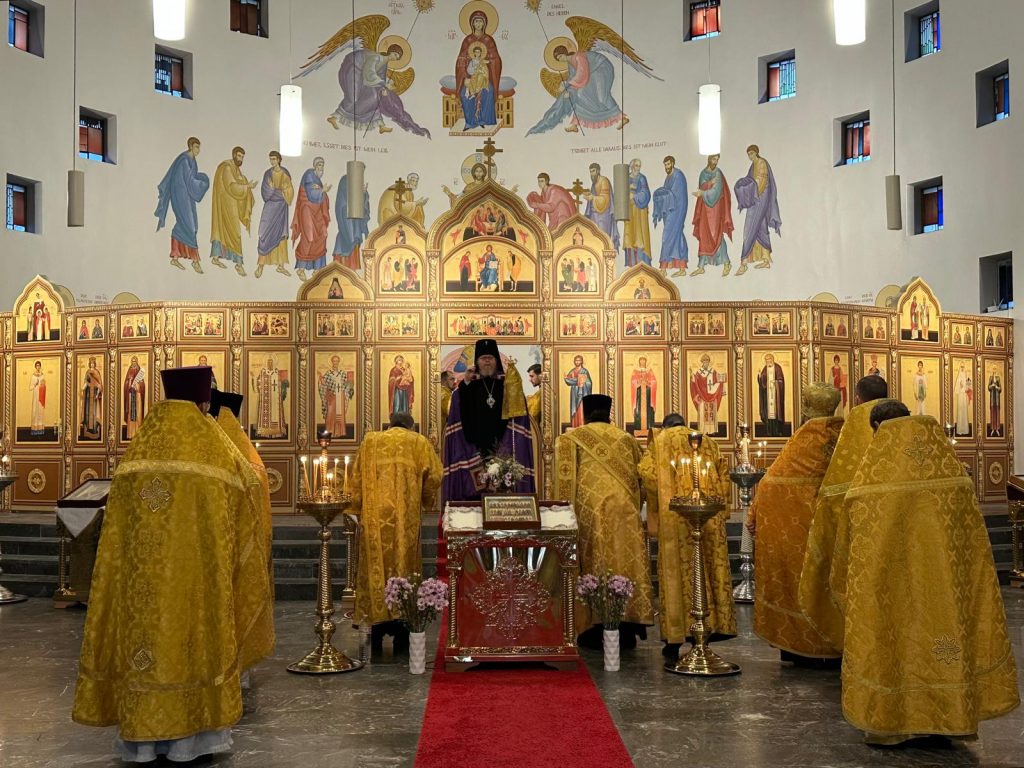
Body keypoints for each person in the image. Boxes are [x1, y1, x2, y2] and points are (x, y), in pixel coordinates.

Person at [73, 367, 273, 764]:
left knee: (145, 652)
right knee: (192, 646)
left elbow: (114, 533)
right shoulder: (214, 448)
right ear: (203, 401)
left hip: (141, 587)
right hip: (195, 582)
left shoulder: (138, 450)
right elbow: (248, 502)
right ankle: (190, 743)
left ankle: (143, 744)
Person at [840, 403, 1019, 744]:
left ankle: (894, 722)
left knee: (893, 646)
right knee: (944, 642)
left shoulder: (870, 483)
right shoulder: (954, 477)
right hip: (945, 592)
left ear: (878, 427)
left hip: (891, 592)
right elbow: (974, 544)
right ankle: (949, 715)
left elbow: (855, 543)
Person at [748, 383, 844, 665]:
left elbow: (771, 485)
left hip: (800, 529)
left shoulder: (805, 438)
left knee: (803, 583)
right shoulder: (846, 436)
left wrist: (754, 514)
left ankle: (804, 645)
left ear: (806, 408)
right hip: (835, 528)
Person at [553, 394, 654, 649]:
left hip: (590, 511)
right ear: (608, 414)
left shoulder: (570, 439)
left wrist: (562, 518)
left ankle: (594, 628)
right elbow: (642, 481)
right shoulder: (628, 439)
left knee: (595, 563)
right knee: (625, 563)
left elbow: (564, 484)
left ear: (585, 414)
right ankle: (627, 629)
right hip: (626, 512)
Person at [798, 375, 889, 651]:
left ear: (858, 398)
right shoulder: (900, 417)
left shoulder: (856, 422)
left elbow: (839, 479)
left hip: (861, 517)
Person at [640, 415, 735, 659]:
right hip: (708, 515)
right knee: (709, 571)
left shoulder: (660, 440)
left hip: (676, 518)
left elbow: (648, 476)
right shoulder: (709, 442)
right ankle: (706, 633)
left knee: (679, 577)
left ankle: (675, 640)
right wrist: (720, 512)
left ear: (666, 426)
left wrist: (655, 508)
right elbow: (725, 478)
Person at [441, 340, 535, 576]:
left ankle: (509, 566)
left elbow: (518, 423)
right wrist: (464, 384)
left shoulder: (508, 388)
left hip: (503, 459)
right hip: (473, 458)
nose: (486, 362)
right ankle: (475, 568)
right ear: (476, 362)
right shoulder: (466, 389)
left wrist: (503, 461)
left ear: (496, 362)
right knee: (475, 517)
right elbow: (457, 417)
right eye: (482, 358)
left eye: (490, 358)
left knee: (504, 518)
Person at [350, 411, 442, 651]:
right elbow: (435, 476)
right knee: (404, 564)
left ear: (389, 424)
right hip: (405, 517)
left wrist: (354, 508)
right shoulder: (418, 442)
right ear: (410, 426)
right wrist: (426, 500)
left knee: (375, 567)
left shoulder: (370, 441)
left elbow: (355, 478)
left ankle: (376, 625)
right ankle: (402, 623)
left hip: (374, 517)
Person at [156, 137, 210, 273]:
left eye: (199, 147)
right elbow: (189, 180)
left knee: (189, 225)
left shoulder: (192, 160)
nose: (198, 150)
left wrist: (200, 179)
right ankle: (195, 261)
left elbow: (192, 179)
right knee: (190, 226)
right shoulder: (184, 161)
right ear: (190, 146)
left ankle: (175, 257)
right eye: (196, 147)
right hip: (180, 197)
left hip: (187, 197)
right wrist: (204, 182)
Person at [734, 145, 781, 275]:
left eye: (751, 153)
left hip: (760, 198)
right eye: (748, 154)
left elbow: (761, 181)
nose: (750, 156)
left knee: (749, 228)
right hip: (756, 199)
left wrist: (751, 192)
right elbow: (750, 180)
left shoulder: (761, 163)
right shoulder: (753, 165)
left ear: (756, 153)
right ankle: (766, 259)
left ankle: (743, 263)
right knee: (761, 227)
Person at [210, 146, 257, 277]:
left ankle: (217, 258)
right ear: (234, 155)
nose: (241, 159)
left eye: (242, 157)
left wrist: (245, 184)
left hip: (231, 205)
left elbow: (239, 182)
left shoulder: (236, 169)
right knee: (234, 233)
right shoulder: (227, 168)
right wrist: (247, 186)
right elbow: (232, 187)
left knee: (227, 232)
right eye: (239, 156)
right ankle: (238, 264)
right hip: (226, 205)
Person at [454, 10, 501, 130]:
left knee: (489, 91)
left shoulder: (489, 40)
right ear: (472, 24)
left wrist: (489, 60)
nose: (478, 24)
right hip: (469, 77)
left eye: (481, 21)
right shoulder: (468, 40)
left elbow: (495, 59)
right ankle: (470, 121)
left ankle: (483, 119)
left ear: (484, 23)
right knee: (464, 95)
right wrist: (465, 76)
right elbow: (461, 60)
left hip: (484, 77)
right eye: (476, 21)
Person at [690, 154, 733, 276]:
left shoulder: (718, 173)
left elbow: (717, 191)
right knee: (704, 235)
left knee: (716, 235)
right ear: (709, 159)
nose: (716, 162)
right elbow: (702, 186)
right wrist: (709, 184)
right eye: (714, 159)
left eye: (717, 160)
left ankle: (727, 263)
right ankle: (701, 266)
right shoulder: (703, 173)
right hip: (705, 208)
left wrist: (703, 193)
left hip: (715, 208)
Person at [292, 157, 332, 281]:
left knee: (322, 235)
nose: (321, 167)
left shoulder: (318, 180)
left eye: (322, 165)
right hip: (307, 210)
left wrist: (323, 192)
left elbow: (320, 197)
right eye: (319, 165)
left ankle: (317, 269)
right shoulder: (309, 175)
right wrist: (322, 191)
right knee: (309, 238)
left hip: (317, 212)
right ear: (314, 166)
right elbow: (311, 195)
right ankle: (301, 269)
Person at [255, 151, 294, 279]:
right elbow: (265, 193)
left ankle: (280, 266)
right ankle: (260, 265)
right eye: (270, 159)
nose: (272, 161)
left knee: (281, 235)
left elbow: (289, 192)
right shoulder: (268, 174)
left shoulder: (285, 173)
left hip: (281, 209)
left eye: (274, 159)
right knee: (264, 234)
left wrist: (275, 191)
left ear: (278, 160)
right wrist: (277, 192)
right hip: (270, 208)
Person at [652, 156, 689, 276]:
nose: (667, 167)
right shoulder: (668, 177)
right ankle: (682, 268)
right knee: (677, 236)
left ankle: (663, 268)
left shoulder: (678, 176)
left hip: (677, 211)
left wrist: (663, 194)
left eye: (668, 164)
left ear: (672, 163)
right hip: (670, 212)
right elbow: (667, 193)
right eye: (665, 165)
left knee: (667, 236)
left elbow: (677, 196)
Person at [333, 173, 370, 269]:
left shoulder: (356, 182)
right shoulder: (345, 180)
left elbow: (362, 206)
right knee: (347, 240)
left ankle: (352, 270)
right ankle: (342, 269)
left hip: (355, 224)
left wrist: (363, 193)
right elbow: (345, 200)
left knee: (354, 241)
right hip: (346, 221)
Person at [581, 163, 620, 249]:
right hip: (594, 215)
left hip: (603, 215)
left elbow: (605, 199)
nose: (592, 174)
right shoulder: (594, 184)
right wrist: (589, 195)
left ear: (598, 171)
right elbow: (593, 197)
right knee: (594, 239)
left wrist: (592, 198)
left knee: (603, 238)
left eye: (593, 171)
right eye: (590, 172)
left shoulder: (604, 181)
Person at [623, 158, 653, 267]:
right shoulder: (626, 178)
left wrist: (635, 196)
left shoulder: (642, 178)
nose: (638, 168)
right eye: (636, 166)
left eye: (639, 166)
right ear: (632, 166)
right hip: (629, 211)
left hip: (639, 211)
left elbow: (646, 193)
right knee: (630, 235)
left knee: (639, 235)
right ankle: (632, 263)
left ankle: (641, 262)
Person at [251, 356, 288, 439]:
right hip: (266, 399)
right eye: (269, 363)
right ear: (267, 364)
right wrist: (253, 377)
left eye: (271, 363)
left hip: (276, 399)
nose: (270, 364)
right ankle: (265, 431)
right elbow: (258, 383)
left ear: (273, 364)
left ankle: (277, 431)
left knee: (276, 414)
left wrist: (282, 385)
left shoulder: (277, 373)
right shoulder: (263, 373)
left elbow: (283, 383)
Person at [689, 353, 725, 435]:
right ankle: (703, 430)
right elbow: (695, 382)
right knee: (703, 413)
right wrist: (692, 376)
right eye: (704, 362)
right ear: (702, 362)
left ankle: (711, 430)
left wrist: (721, 381)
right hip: (702, 397)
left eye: (707, 362)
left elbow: (718, 381)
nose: (706, 363)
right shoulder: (699, 373)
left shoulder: (713, 371)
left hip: (712, 396)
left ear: (709, 362)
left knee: (711, 414)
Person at [318, 355, 353, 437]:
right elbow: (324, 384)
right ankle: (330, 431)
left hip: (340, 396)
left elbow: (346, 384)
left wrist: (349, 385)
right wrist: (321, 378)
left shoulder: (342, 373)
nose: (335, 362)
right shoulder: (328, 373)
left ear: (339, 362)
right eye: (334, 361)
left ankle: (340, 431)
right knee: (330, 413)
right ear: (332, 362)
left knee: (340, 414)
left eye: (337, 361)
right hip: (331, 396)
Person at [757, 353, 786, 437]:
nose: (767, 361)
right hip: (768, 395)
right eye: (766, 360)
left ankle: (777, 431)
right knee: (768, 413)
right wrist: (760, 376)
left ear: (772, 359)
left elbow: (781, 380)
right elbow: (762, 382)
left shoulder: (777, 368)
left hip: (776, 396)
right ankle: (769, 431)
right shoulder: (765, 368)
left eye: (769, 360)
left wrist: (776, 382)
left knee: (776, 413)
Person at [629, 356, 657, 437]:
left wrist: (648, 382)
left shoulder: (650, 371)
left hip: (648, 394)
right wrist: (638, 382)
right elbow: (633, 382)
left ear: (645, 362)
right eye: (641, 361)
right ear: (639, 362)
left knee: (648, 411)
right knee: (638, 410)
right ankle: (638, 429)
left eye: (643, 361)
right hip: (639, 394)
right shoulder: (635, 371)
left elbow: (654, 381)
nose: (642, 363)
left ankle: (649, 429)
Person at [563, 354, 593, 428]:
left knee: (581, 408)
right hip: (574, 392)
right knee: (574, 408)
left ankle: (583, 425)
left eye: (579, 360)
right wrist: (576, 380)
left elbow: (589, 383)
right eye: (576, 360)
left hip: (583, 392)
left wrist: (580, 381)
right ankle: (575, 425)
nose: (577, 362)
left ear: (581, 361)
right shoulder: (572, 371)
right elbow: (568, 381)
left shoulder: (584, 371)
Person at [122, 355, 147, 440]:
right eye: (132, 362)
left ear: (137, 362)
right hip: (130, 395)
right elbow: (126, 385)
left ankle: (138, 433)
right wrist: (129, 382)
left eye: (135, 361)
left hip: (137, 395)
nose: (133, 363)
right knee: (131, 414)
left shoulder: (140, 371)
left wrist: (138, 386)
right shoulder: (129, 371)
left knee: (138, 413)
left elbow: (142, 385)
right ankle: (131, 434)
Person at [81, 357, 103, 441]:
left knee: (94, 413)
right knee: (87, 412)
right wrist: (82, 389)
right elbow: (86, 382)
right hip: (88, 395)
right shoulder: (87, 372)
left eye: (93, 363)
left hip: (94, 395)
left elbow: (100, 385)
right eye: (91, 363)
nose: (92, 364)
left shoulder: (96, 372)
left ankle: (94, 430)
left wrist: (97, 394)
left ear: (95, 364)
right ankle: (87, 431)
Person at [29, 360, 46, 436]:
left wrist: (43, 385)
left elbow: (44, 385)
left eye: (39, 366)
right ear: (35, 367)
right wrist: (35, 384)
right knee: (35, 410)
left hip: (41, 395)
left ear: (40, 367)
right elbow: (30, 387)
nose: (38, 367)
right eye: (37, 366)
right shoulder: (33, 376)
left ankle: (40, 428)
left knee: (40, 410)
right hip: (35, 395)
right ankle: (34, 428)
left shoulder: (42, 375)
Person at [954, 363, 971, 436]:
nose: (962, 368)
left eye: (963, 367)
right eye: (961, 367)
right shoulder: (959, 376)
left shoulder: (966, 375)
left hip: (964, 395)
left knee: (964, 410)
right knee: (960, 410)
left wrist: (966, 386)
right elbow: (957, 387)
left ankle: (965, 430)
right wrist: (959, 385)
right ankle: (960, 430)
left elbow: (969, 385)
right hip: (960, 395)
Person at [988, 371, 1003, 436]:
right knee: (992, 413)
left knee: (997, 413)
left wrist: (997, 387)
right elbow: (988, 387)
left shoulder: (998, 378)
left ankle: (997, 429)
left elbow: (1000, 389)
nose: (994, 371)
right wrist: (991, 386)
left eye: (995, 369)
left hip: (997, 398)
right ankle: (992, 428)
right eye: (993, 369)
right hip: (992, 398)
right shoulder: (990, 378)